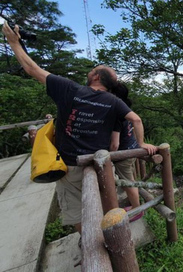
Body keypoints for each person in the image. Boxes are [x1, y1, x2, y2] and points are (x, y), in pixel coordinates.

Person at [2, 23, 157, 233]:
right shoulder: (113, 101)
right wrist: (141, 143)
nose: (90, 72)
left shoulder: (69, 90)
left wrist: (14, 43)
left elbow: (31, 69)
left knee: (77, 212)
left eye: (92, 70)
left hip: (71, 165)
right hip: (101, 164)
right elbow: (136, 120)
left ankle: (89, 245)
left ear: (95, 77)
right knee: (107, 206)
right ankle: (111, 242)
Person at [110, 82, 143, 221]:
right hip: (133, 149)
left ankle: (137, 209)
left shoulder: (116, 114)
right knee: (130, 180)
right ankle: (136, 206)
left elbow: (115, 144)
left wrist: (110, 155)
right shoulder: (126, 109)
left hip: (123, 155)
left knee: (128, 183)